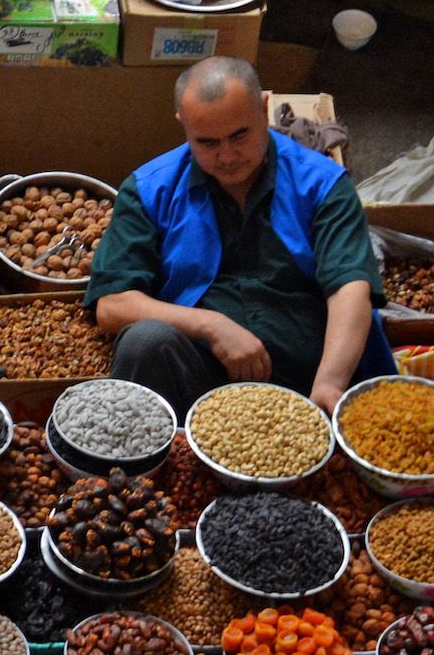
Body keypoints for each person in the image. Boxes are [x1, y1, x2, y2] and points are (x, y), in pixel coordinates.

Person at [87, 56, 393, 415]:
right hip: (198, 378)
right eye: (207, 143)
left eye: (239, 135)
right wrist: (212, 326)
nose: (227, 156)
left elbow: (349, 287)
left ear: (264, 109)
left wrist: (330, 383)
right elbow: (112, 303)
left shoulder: (321, 184)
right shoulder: (150, 189)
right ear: (182, 126)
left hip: (308, 380)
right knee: (144, 342)